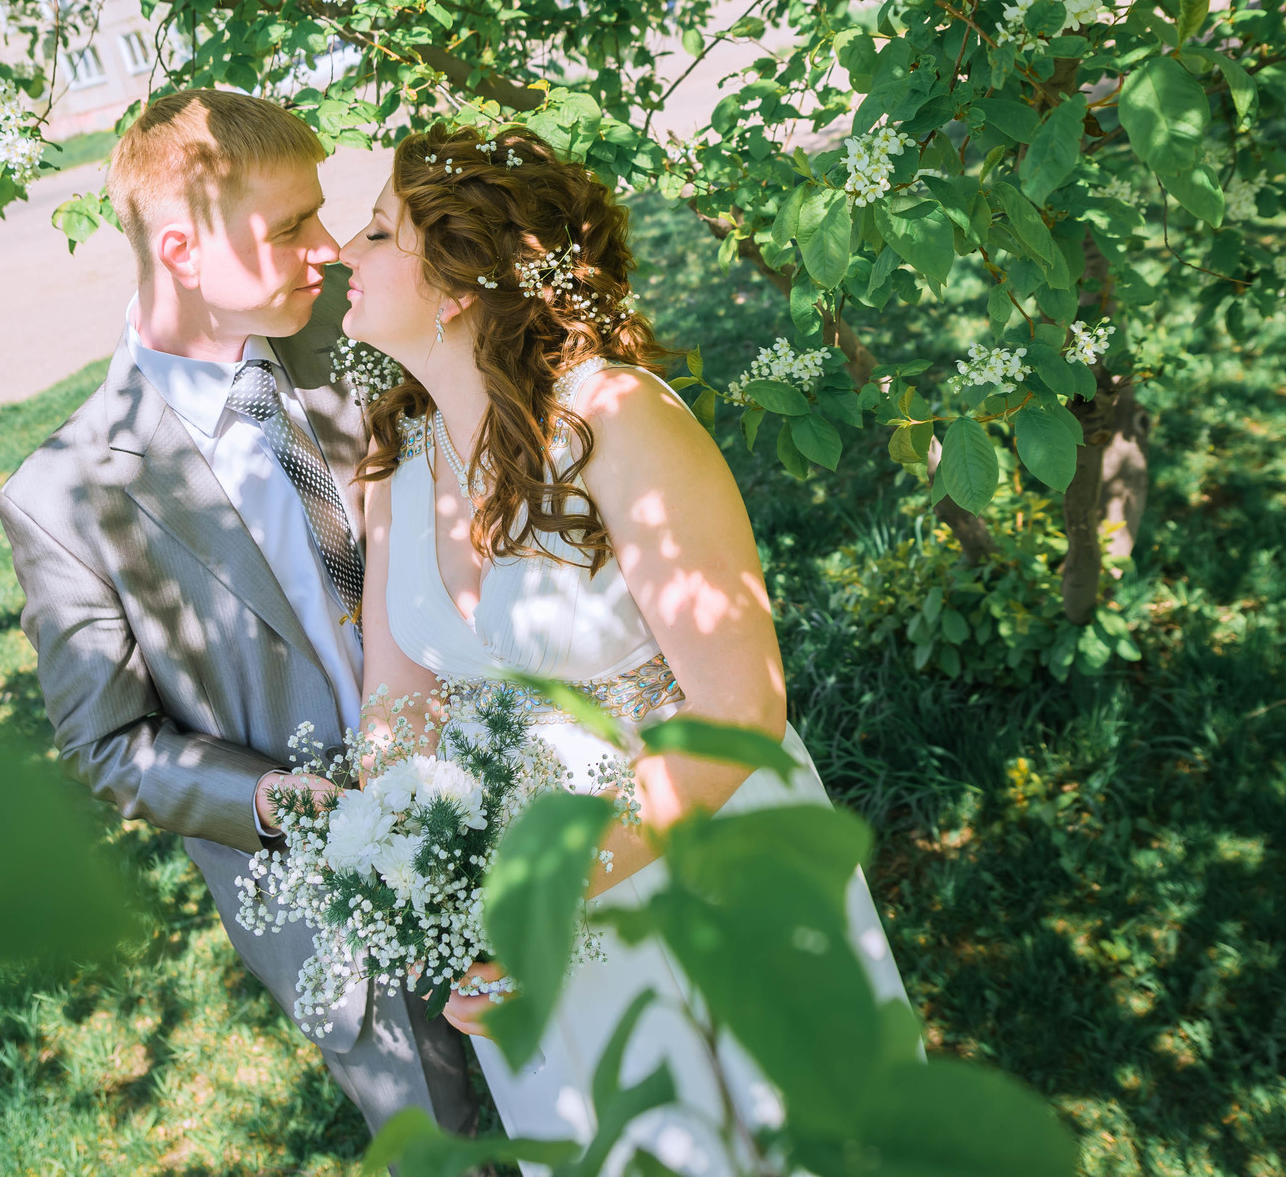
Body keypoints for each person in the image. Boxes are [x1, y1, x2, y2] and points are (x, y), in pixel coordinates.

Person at [337, 122, 908, 1176]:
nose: (340, 251)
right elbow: (395, 692)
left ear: (459, 280)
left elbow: (740, 705)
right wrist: (429, 878)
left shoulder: (616, 422)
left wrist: (547, 895)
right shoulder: (393, 459)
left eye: (376, 230)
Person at [0, 89, 479, 1150]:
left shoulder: (361, 328)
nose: (330, 246)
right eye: (292, 226)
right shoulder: (68, 494)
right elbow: (108, 746)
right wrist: (269, 800)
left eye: (324, 214)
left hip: (510, 799)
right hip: (343, 904)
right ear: (180, 247)